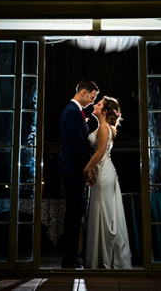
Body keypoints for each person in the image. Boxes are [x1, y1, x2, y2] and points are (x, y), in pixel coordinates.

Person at [83, 96, 132, 269]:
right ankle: (101, 257)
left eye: (99, 104)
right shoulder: (103, 127)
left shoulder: (104, 128)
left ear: (104, 111)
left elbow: (101, 152)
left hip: (103, 172)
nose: (95, 105)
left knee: (104, 212)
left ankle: (104, 259)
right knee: (102, 211)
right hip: (103, 171)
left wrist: (86, 169)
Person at [59, 79, 99, 268]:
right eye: (92, 97)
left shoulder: (75, 112)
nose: (92, 101)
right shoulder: (72, 112)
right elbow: (77, 145)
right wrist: (86, 169)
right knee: (73, 215)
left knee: (75, 214)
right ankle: (69, 259)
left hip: (73, 170)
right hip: (74, 170)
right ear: (83, 92)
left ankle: (71, 257)